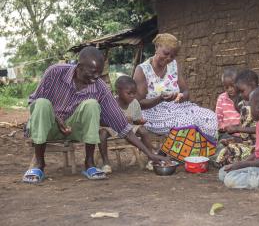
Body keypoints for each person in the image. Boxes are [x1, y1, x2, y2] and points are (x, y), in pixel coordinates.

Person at [22, 46, 167, 184]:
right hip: (48, 128)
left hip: (75, 131)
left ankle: (89, 163)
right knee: (41, 103)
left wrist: (150, 153)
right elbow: (32, 101)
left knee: (92, 104)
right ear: (79, 67)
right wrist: (56, 118)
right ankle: (39, 165)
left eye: (98, 73)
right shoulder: (55, 72)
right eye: (91, 73)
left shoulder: (100, 87)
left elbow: (122, 125)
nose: (95, 78)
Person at [133, 33, 217, 139]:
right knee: (187, 123)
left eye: (173, 56)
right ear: (156, 47)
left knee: (210, 117)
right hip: (154, 113)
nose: (169, 58)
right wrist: (160, 99)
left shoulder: (173, 65)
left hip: (177, 108)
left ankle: (202, 153)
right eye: (166, 53)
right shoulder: (142, 70)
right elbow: (138, 104)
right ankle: (177, 153)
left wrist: (180, 96)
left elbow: (186, 92)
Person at [98, 76, 158, 173]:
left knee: (143, 130)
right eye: (129, 93)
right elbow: (102, 121)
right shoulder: (110, 103)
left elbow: (135, 121)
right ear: (118, 92)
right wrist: (116, 120)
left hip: (129, 128)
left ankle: (151, 160)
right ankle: (106, 163)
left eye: (134, 93)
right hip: (111, 128)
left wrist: (140, 121)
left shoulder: (135, 103)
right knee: (102, 133)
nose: (132, 96)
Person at [215, 69, 258, 167]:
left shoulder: (246, 101)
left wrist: (237, 128)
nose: (229, 89)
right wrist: (225, 127)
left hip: (245, 136)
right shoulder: (222, 98)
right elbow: (218, 118)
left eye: (232, 86)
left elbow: (249, 124)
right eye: (226, 87)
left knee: (226, 152)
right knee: (222, 145)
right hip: (229, 133)